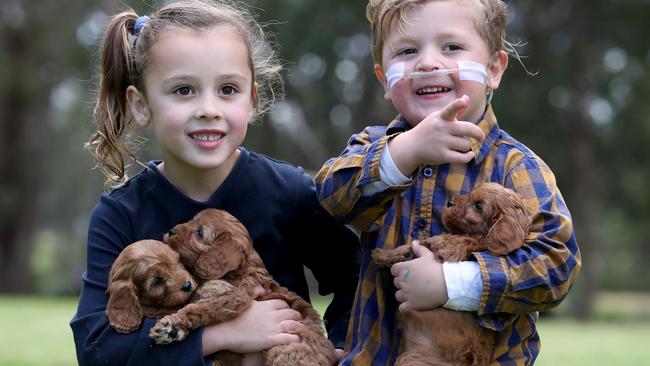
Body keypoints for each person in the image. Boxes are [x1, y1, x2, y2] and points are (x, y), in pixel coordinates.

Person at [70, 1, 360, 365]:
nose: (209, 108)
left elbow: (359, 279)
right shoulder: (120, 215)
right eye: (183, 90)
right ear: (141, 105)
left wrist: (343, 352)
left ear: (251, 100)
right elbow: (97, 347)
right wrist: (222, 335)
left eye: (227, 89)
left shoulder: (289, 192)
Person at [314, 0, 581, 365]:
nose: (427, 63)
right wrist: (404, 153)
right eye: (407, 51)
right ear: (384, 81)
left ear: (493, 70)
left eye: (451, 47)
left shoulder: (517, 167)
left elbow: (556, 265)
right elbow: (332, 197)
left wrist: (454, 285)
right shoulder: (372, 147)